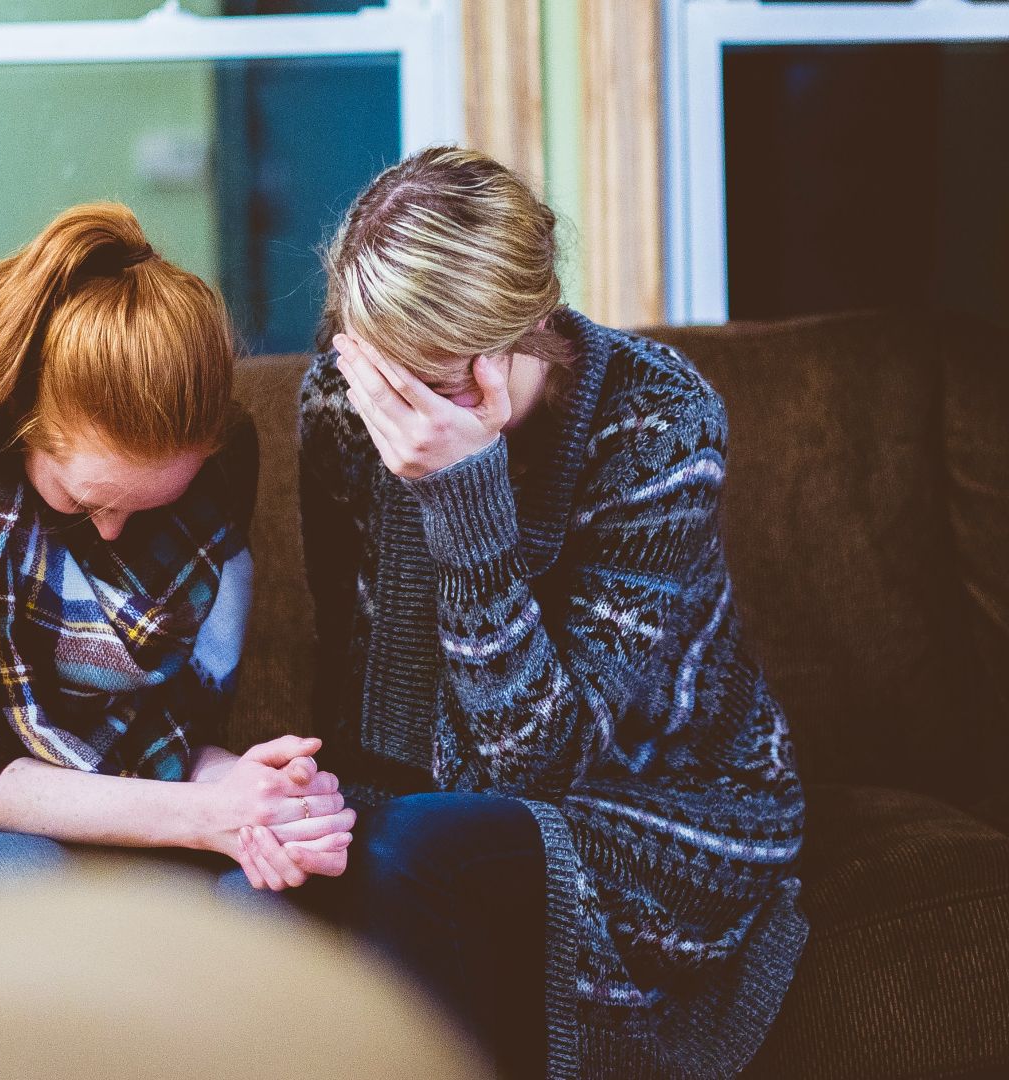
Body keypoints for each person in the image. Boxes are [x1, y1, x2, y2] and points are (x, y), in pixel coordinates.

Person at [295, 147, 808, 1079]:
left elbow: (541, 765)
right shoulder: (342, 404)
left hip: (661, 803)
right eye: (383, 374)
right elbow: (360, 681)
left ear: (527, 328)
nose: (399, 415)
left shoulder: (658, 422)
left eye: (436, 383)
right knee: (296, 864)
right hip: (438, 797)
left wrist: (466, 497)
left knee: (421, 851)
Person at [0, 203, 354, 922]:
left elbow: (166, 737)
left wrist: (257, 793)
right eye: (84, 503)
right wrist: (203, 817)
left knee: (270, 902)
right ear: (20, 422)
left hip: (104, 810)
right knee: (28, 887)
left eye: (145, 510)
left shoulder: (218, 461)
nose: (114, 536)